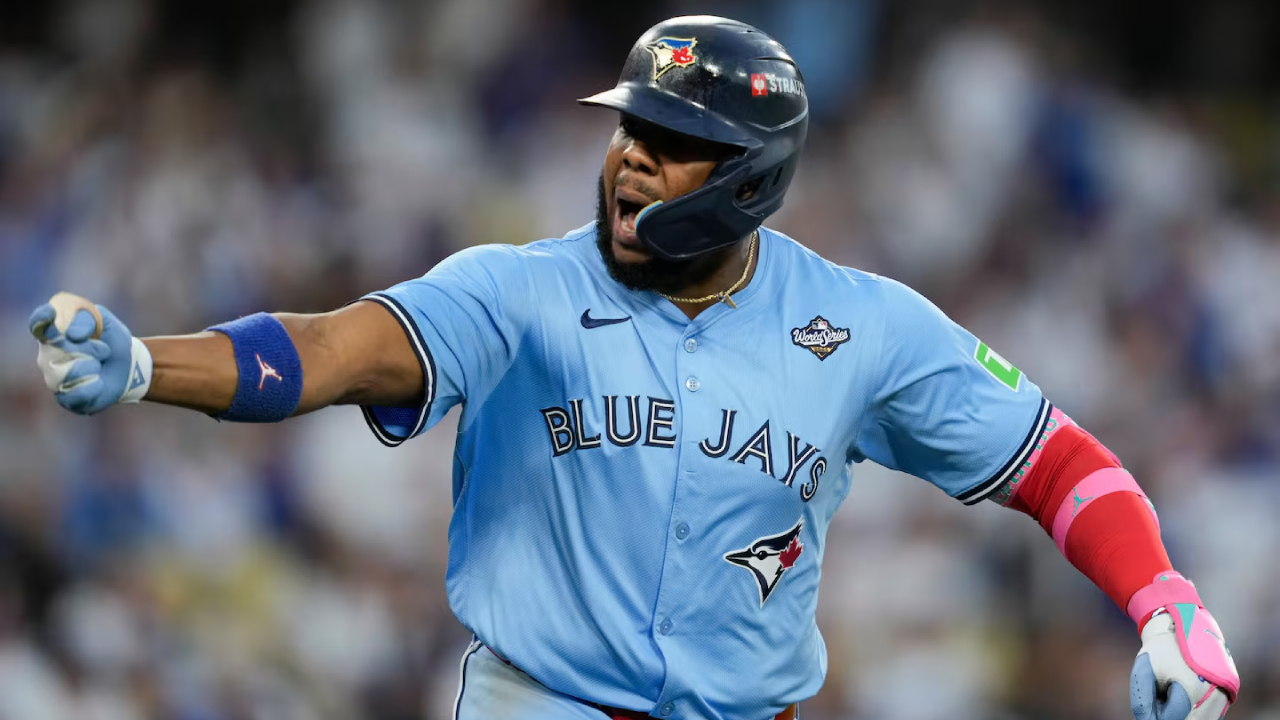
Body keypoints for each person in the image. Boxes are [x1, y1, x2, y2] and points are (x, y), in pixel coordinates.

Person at [28, 15, 1238, 720]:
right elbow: (333, 350)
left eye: (675, 146)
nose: (631, 162)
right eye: (629, 131)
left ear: (752, 177)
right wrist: (148, 366)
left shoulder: (861, 324)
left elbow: (1053, 462)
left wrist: (1159, 598)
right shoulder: (522, 289)